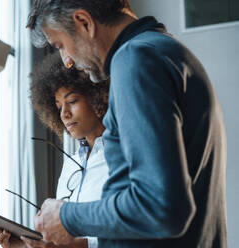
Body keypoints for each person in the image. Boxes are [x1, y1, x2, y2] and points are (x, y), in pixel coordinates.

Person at [26, 1, 227, 248]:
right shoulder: (166, 51)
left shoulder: (135, 59)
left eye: (61, 45)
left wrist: (66, 216)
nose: (66, 61)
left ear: (84, 22)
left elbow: (159, 207)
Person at [0, 52, 110, 248]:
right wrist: (23, 245)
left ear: (98, 96)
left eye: (72, 101)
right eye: (59, 106)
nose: (65, 114)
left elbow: (136, 233)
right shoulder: (70, 165)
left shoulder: (124, 156)